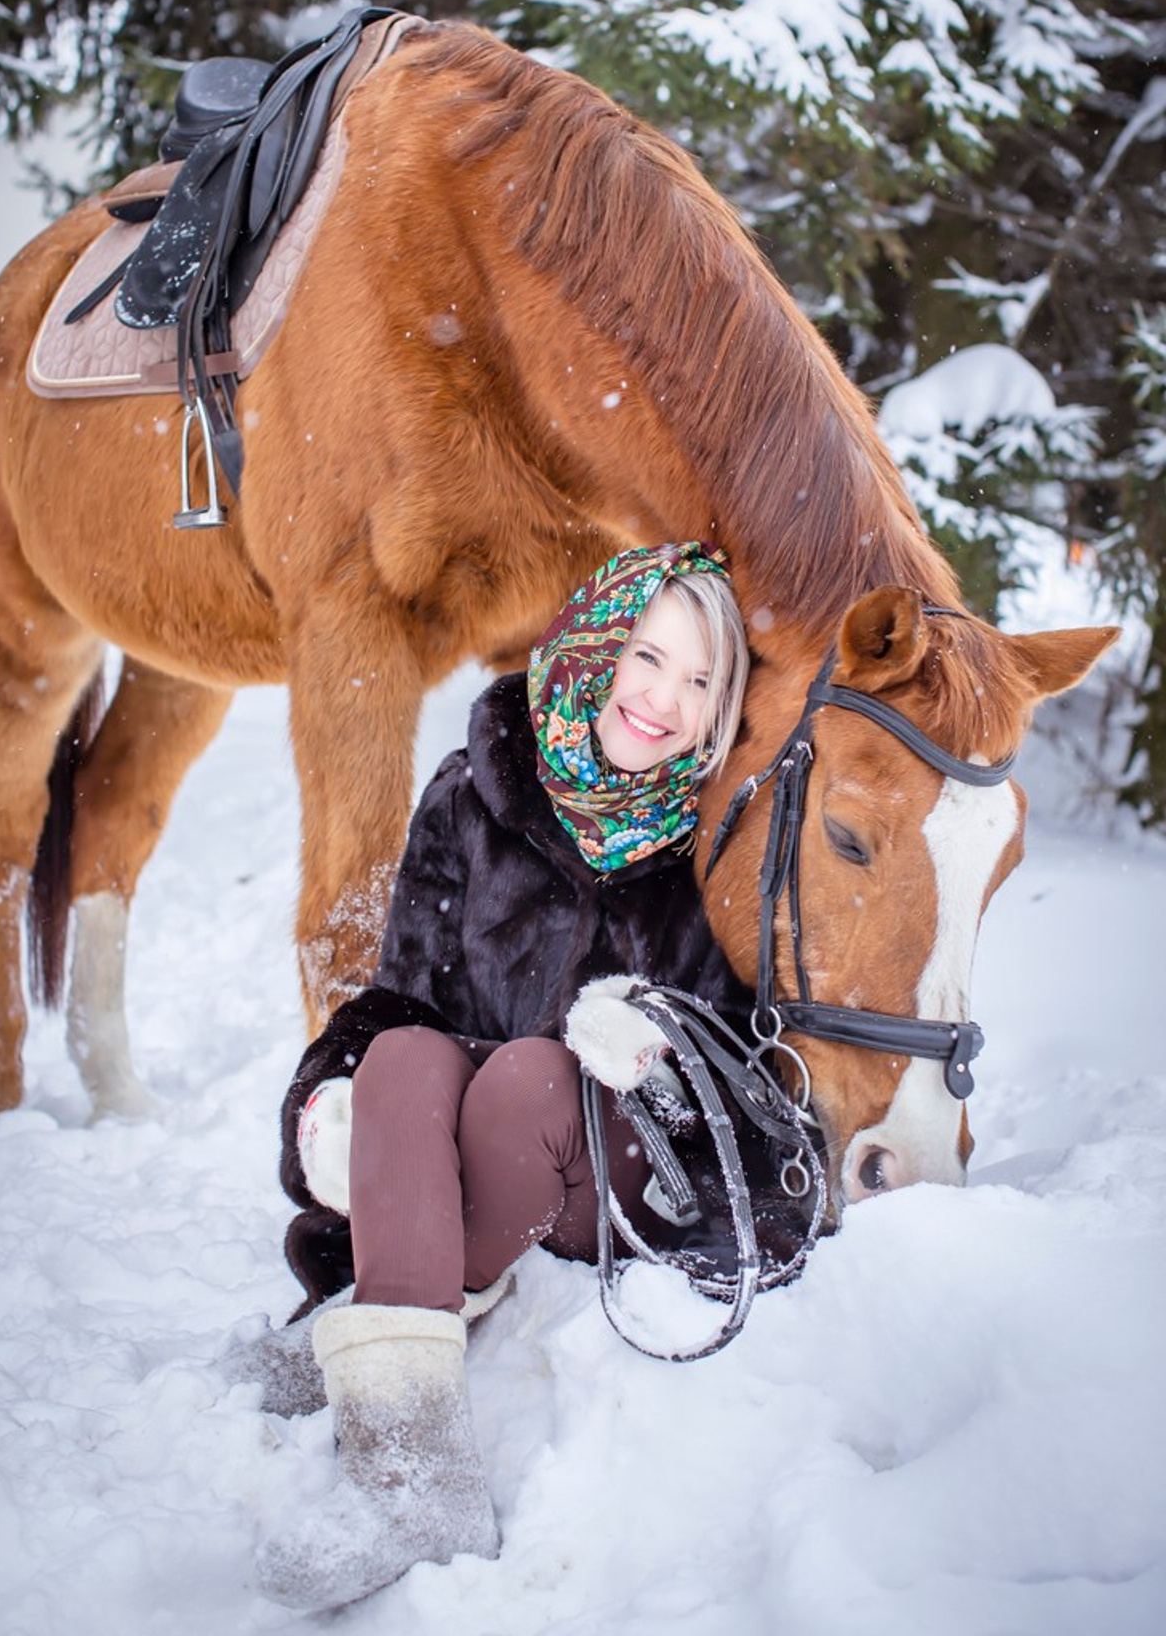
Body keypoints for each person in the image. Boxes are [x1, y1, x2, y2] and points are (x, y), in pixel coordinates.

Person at [256, 542, 753, 1612]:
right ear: (590, 647)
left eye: (701, 679)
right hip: (477, 1120)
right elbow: (401, 995)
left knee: (530, 1079)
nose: (663, 699)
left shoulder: (713, 833)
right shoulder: (475, 790)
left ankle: (375, 1305)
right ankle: (412, 1478)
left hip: (602, 1160)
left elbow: (740, 1058)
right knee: (396, 1058)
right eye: (645, 655)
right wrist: (332, 1098)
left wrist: (647, 1043)